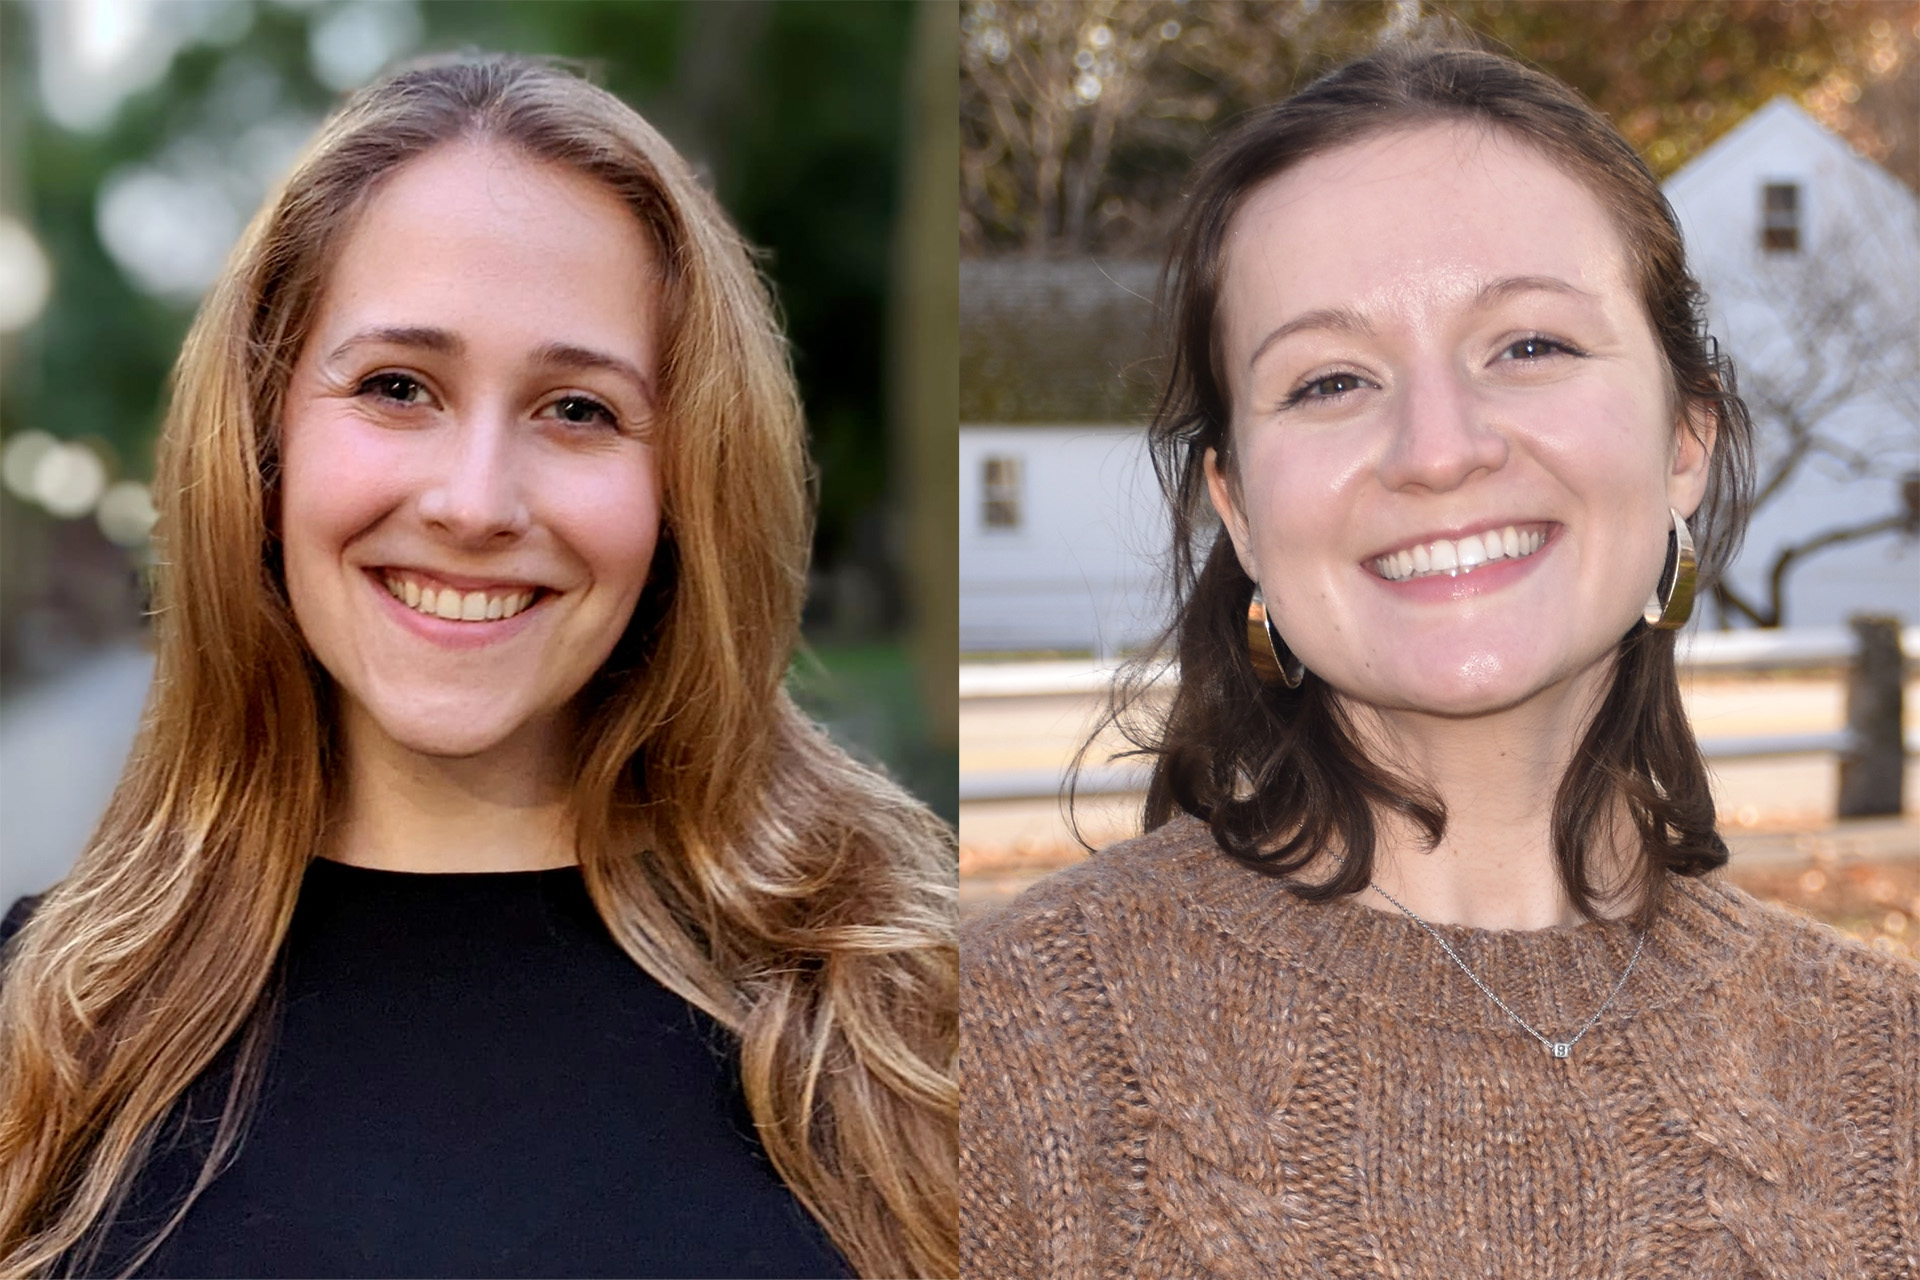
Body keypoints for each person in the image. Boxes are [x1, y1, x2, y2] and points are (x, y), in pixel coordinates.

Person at [960, 42, 1919, 1279]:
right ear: (1240, 505)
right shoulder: (989, 1055)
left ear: (1687, 437)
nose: (1437, 448)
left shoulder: (1889, 1076)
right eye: (1330, 377)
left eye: (1528, 345)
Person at [0, 55, 956, 1280]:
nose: (475, 501)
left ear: (687, 487)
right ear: (262, 438)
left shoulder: (906, 1029)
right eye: (398, 387)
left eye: (578, 409)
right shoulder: (46, 1032)